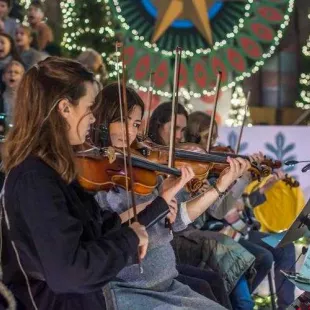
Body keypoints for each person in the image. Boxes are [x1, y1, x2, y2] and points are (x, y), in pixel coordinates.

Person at [0, 56, 178, 310]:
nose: (94, 119)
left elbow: (98, 228)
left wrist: (157, 206)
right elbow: (71, 272)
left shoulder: (55, 169)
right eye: (90, 107)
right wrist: (129, 240)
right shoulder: (35, 179)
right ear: (64, 108)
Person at [94, 82, 246, 310]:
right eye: (123, 121)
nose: (130, 132)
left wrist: (219, 187)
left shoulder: (141, 170)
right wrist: (157, 203)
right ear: (104, 119)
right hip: (128, 289)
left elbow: (175, 221)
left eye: (135, 124)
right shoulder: (95, 175)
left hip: (167, 286)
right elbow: (103, 231)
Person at [149, 105, 257, 310]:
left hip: (188, 233)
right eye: (175, 129)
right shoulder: (155, 166)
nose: (179, 137)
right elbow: (208, 213)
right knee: (227, 260)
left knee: (258, 259)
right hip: (179, 240)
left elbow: (215, 210)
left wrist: (239, 181)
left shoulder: (194, 164)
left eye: (182, 130)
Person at [185, 111, 296, 309]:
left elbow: (237, 206)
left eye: (214, 137)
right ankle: (234, 301)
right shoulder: (199, 171)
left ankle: (284, 306)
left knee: (285, 247)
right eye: (209, 137)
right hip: (223, 230)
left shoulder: (212, 170)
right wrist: (246, 182)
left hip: (238, 227)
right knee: (265, 257)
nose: (215, 142)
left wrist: (260, 187)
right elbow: (223, 210)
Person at [0, 59, 24, 130]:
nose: (12, 74)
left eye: (16, 72)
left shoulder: (28, 100)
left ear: (23, 78)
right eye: (9, 72)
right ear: (3, 77)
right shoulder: (1, 98)